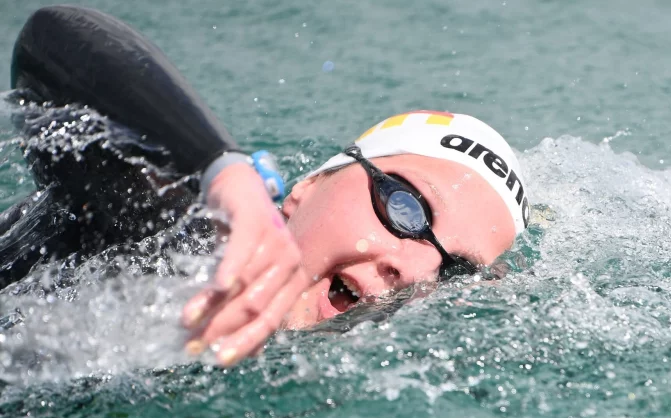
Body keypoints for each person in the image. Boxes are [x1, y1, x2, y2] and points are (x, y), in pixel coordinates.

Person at [1, 5, 531, 367]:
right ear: (308, 185)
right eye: (406, 207)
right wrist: (225, 178)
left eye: (455, 269)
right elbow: (51, 41)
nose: (414, 271)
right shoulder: (169, 233)